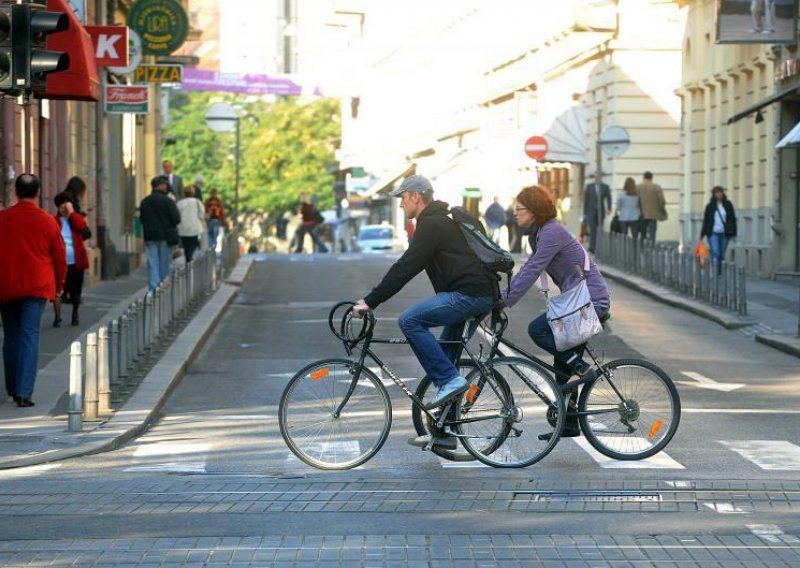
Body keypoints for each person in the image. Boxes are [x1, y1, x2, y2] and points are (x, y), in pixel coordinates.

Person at [353, 175, 497, 449]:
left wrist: (371, 301)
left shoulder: (431, 224)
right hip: (475, 293)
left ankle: (449, 381)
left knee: (410, 321)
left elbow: (406, 267)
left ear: (415, 197)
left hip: (469, 295)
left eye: (402, 198)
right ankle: (444, 433)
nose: (400, 205)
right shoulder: (438, 221)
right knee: (446, 355)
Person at [502, 185, 611, 438]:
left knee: (538, 329)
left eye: (519, 209)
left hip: (590, 301)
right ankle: (569, 422)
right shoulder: (541, 233)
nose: (515, 213)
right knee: (562, 363)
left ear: (534, 210)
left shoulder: (551, 232)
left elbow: (531, 269)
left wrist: (505, 299)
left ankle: (581, 367)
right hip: (580, 299)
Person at [0, 174, 67, 408]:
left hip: (6, 285)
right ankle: (24, 392)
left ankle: (12, 386)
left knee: (11, 336)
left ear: (15, 193)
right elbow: (59, 258)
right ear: (38, 193)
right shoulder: (48, 221)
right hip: (37, 287)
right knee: (29, 336)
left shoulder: (3, 219)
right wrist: (58, 286)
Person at [52, 192, 89, 327]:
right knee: (59, 289)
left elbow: (82, 227)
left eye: (66, 205)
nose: (64, 209)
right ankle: (57, 317)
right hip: (60, 262)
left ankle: (75, 313)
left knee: (76, 289)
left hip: (76, 260)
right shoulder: (55, 221)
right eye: (62, 206)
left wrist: (71, 214)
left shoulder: (75, 219)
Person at [140, 176, 181, 291]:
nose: (167, 186)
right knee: (164, 265)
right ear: (160, 186)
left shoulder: (145, 201)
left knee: (153, 264)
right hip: (165, 237)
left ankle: (153, 290)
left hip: (150, 237)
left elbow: (142, 219)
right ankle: (163, 289)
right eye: (165, 184)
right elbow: (176, 219)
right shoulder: (168, 201)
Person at [701, 186, 737, 274]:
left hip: (724, 233)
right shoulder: (710, 206)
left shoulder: (728, 204)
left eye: (720, 192)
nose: (719, 194)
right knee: (716, 252)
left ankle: (719, 272)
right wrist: (703, 235)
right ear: (714, 194)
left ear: (723, 193)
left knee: (721, 254)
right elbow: (706, 220)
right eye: (716, 193)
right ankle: (714, 272)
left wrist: (734, 233)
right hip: (713, 233)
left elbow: (732, 219)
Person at [583, 172, 611, 254]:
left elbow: (609, 198)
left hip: (600, 212)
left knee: (600, 229)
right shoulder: (589, 187)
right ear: (594, 178)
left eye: (599, 177)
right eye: (596, 177)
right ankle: (592, 247)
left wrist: (609, 208)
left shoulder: (605, 187)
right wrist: (585, 213)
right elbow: (586, 200)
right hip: (590, 212)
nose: (597, 178)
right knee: (592, 229)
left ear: (601, 178)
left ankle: (599, 247)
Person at [177, 185, 206, 263]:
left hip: (183, 229)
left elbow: (177, 216)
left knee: (186, 246)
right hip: (195, 228)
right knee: (193, 245)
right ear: (193, 193)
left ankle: (188, 259)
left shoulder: (180, 203)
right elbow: (202, 215)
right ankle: (190, 259)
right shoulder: (197, 202)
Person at [637, 171, 667, 242]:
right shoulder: (657, 187)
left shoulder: (638, 187)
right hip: (654, 214)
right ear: (651, 178)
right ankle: (651, 247)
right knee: (652, 232)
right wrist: (662, 210)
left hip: (642, 214)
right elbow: (662, 200)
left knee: (642, 232)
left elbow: (635, 200)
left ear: (644, 178)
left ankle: (642, 247)